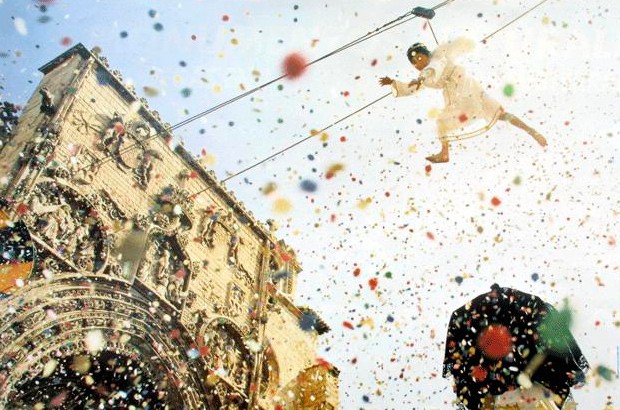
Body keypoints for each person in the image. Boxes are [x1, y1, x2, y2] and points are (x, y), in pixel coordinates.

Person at [379, 38, 547, 163]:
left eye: (419, 58)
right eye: (414, 62)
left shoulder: (438, 56)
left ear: (426, 54)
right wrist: (394, 83)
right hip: (462, 92)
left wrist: (422, 77)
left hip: (463, 87)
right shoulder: (424, 77)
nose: (417, 63)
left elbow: (434, 67)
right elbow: (414, 87)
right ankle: (445, 153)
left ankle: (531, 130)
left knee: (498, 112)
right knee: (444, 123)